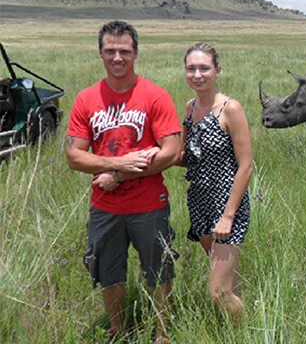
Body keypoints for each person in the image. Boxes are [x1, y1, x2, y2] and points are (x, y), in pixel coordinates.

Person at [66, 20, 182, 344]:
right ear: (100, 52)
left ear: (136, 53)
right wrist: (117, 162)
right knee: (108, 270)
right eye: (110, 50)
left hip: (148, 205)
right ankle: (118, 329)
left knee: (158, 269)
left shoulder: (154, 95)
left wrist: (119, 174)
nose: (118, 57)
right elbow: (75, 157)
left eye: (125, 51)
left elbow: (171, 151)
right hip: (104, 206)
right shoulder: (86, 98)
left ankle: (163, 332)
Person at [178, 42, 253, 323]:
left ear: (217, 70)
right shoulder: (190, 107)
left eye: (204, 68)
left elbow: (246, 166)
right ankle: (233, 325)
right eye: (191, 68)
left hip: (227, 204)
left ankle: (245, 330)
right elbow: (187, 156)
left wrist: (228, 216)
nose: (197, 74)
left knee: (218, 292)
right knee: (225, 280)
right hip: (199, 201)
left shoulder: (230, 109)